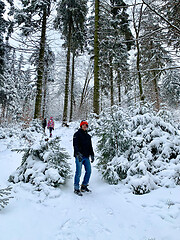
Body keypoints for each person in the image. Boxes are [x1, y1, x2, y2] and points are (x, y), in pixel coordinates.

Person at [73, 120, 94, 196]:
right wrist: (77, 153)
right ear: (81, 126)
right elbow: (75, 145)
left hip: (86, 156)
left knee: (88, 171)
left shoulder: (88, 136)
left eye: (86, 125)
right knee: (78, 172)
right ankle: (76, 188)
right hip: (79, 156)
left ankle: (84, 186)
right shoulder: (77, 134)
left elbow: (90, 146)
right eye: (83, 125)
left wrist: (92, 154)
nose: (85, 126)